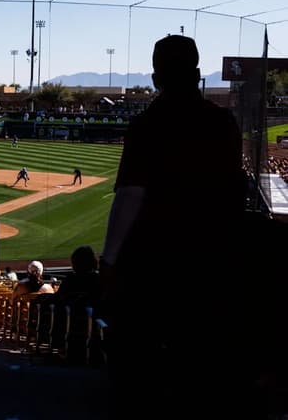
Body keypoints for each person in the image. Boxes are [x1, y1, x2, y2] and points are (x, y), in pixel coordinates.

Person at [101, 35, 248, 419]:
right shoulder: (223, 123)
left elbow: (131, 194)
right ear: (198, 74)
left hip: (154, 262)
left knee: (141, 365)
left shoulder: (148, 124)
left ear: (155, 77)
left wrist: (110, 260)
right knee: (200, 364)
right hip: (214, 259)